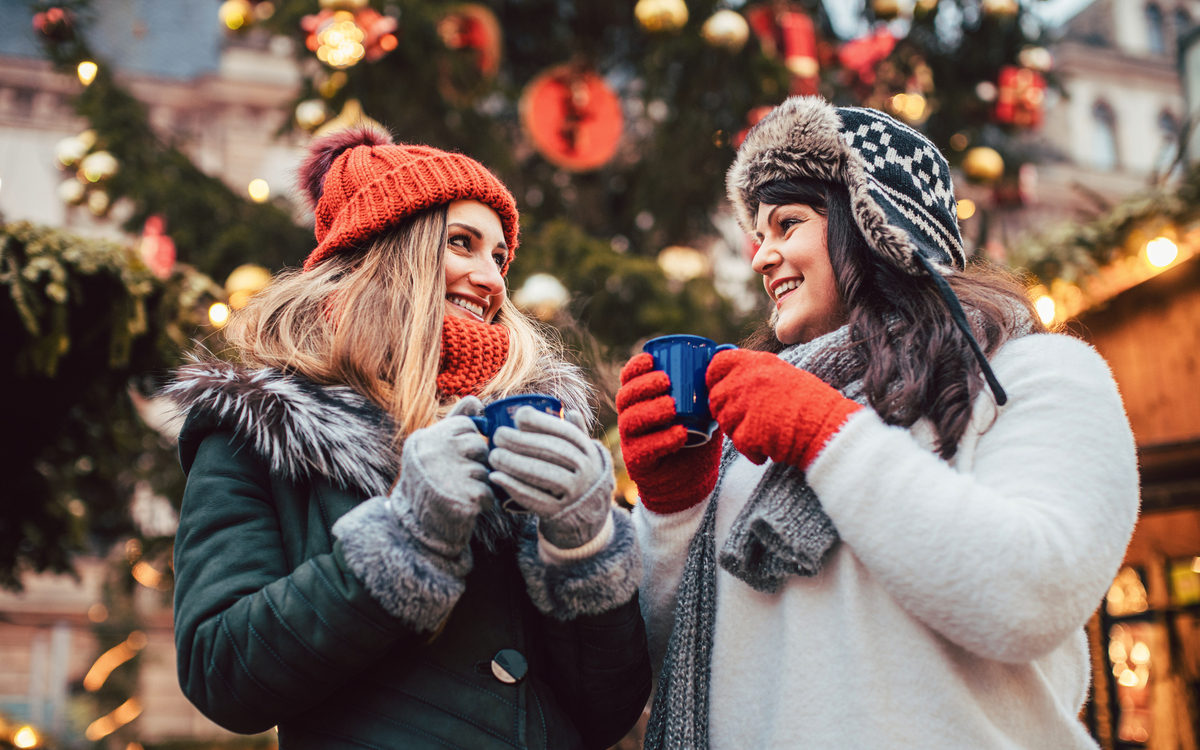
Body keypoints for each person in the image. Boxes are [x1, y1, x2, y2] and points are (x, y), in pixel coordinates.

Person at [616, 96, 1139, 749]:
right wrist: (671, 512)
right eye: (760, 234)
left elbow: (1030, 594)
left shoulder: (1038, 376)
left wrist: (827, 437)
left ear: (873, 225)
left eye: (787, 224)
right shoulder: (753, 433)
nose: (762, 257)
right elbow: (667, 665)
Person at [167, 126, 651, 750]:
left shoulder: (537, 425)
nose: (493, 279)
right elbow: (220, 670)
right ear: (387, 252)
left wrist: (583, 548)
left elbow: (608, 711)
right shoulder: (260, 430)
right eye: (462, 244)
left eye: (498, 256)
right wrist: (406, 539)